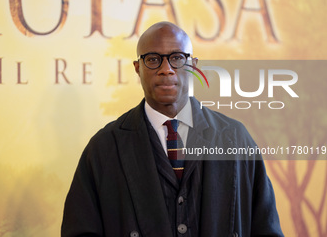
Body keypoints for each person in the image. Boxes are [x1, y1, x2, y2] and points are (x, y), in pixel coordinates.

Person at [61, 22, 284, 237]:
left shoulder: (236, 138)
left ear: (194, 66)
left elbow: (266, 229)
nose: (166, 70)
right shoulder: (104, 148)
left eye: (177, 58)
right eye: (153, 59)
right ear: (137, 68)